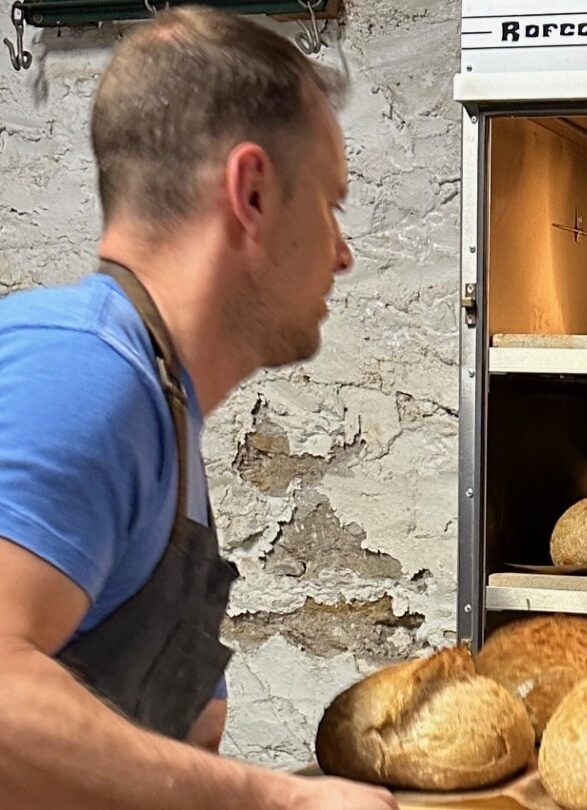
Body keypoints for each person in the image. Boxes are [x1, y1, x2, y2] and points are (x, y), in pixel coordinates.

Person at [0, 6, 399, 809]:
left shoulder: (159, 401)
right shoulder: (80, 371)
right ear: (250, 192)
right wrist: (273, 799)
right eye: (331, 206)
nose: (343, 252)